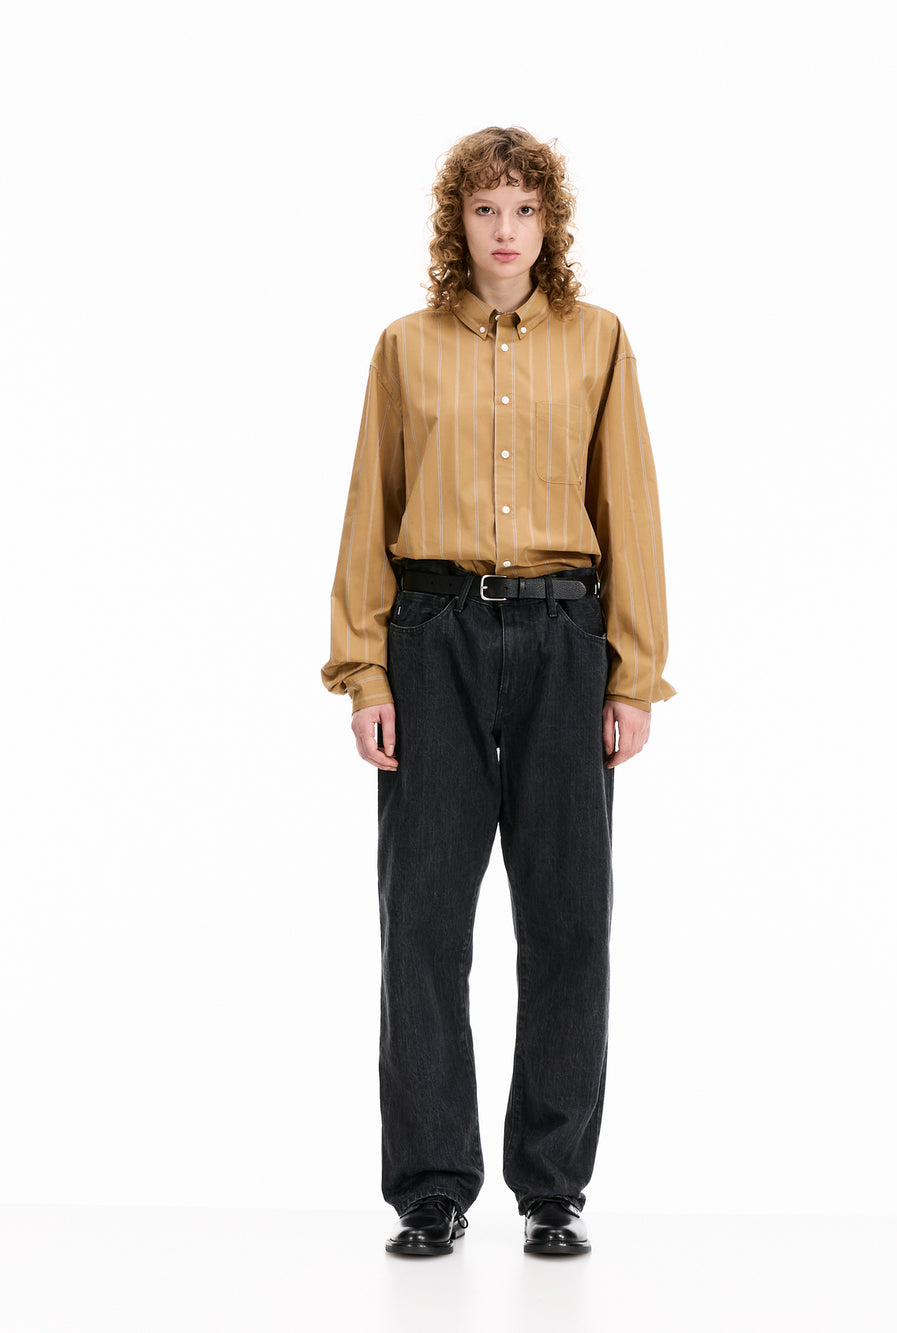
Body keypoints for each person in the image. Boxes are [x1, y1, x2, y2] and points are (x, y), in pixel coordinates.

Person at [320, 125, 677, 1257]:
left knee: (568, 918)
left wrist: (635, 673)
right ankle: (432, 1187)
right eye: (485, 210)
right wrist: (364, 671)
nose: (505, 230)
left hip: (568, 638)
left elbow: (630, 509)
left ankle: (552, 1186)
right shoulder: (405, 347)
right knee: (423, 919)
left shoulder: (598, 340)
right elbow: (369, 513)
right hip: (433, 636)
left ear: (549, 222)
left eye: (523, 209)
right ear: (458, 223)